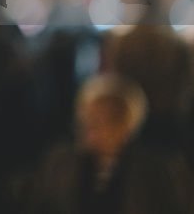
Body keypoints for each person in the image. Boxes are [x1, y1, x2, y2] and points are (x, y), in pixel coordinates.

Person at [26, 73, 193, 214]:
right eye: (86, 118)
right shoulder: (60, 164)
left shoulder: (156, 171)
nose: (90, 127)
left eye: (102, 120)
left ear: (127, 124)